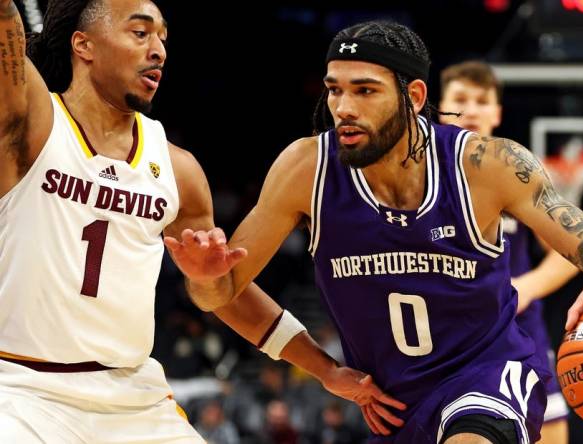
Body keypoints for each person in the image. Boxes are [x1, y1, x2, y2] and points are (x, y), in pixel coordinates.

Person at [165, 20, 583, 444]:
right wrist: (320, 367)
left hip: (487, 374)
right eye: (335, 89)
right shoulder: (306, 168)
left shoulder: (485, 164)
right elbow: (223, 292)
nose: (343, 107)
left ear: (413, 95)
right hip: (391, 405)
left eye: (364, 90)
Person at [0, 1, 399, 441]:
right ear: (84, 44)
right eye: (140, 33)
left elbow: (225, 294)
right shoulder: (31, 126)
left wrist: (326, 370)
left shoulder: (179, 171)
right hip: (21, 389)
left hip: (133, 397)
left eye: (163, 38)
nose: (158, 51)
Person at [438, 60, 579, 444]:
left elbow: (569, 253)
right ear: (439, 106)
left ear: (497, 112)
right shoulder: (418, 175)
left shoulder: (520, 172)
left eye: (482, 101)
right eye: (460, 99)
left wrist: (528, 287)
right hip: (447, 340)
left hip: (519, 335)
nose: (471, 109)